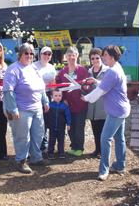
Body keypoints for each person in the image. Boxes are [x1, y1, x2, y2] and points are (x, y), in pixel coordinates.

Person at [81, 45, 131, 181]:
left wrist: (86, 98)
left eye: (105, 55)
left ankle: (104, 170)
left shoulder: (111, 71)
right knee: (119, 138)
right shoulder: (117, 68)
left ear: (113, 57)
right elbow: (107, 84)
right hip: (122, 109)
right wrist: (97, 81)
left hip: (116, 111)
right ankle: (120, 165)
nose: (103, 57)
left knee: (105, 138)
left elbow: (100, 91)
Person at [3, 43, 50, 174]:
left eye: (31, 54)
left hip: (37, 108)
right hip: (21, 109)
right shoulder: (13, 69)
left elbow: (41, 87)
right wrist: (13, 110)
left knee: (38, 135)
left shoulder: (34, 68)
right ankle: (21, 160)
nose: (29, 56)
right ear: (20, 55)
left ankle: (36, 158)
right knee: (22, 136)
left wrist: (45, 101)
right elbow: (8, 91)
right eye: (26, 53)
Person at [56, 46, 89, 157]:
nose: (71, 57)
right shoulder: (63, 71)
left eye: (73, 55)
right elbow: (58, 85)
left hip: (80, 105)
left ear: (77, 56)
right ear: (66, 57)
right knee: (70, 127)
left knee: (79, 127)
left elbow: (87, 86)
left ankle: (79, 147)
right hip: (67, 105)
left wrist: (84, 89)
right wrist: (63, 99)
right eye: (69, 55)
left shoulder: (82, 70)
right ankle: (73, 145)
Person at [86, 48, 109, 158]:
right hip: (92, 107)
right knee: (95, 130)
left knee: (104, 132)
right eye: (92, 58)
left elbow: (108, 85)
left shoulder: (107, 71)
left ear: (101, 58)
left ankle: (103, 151)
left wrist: (97, 82)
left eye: (97, 58)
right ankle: (97, 149)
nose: (95, 60)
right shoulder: (89, 72)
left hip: (103, 105)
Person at [33, 46, 56, 153]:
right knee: (37, 120)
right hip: (36, 95)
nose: (47, 56)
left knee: (46, 120)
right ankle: (35, 144)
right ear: (40, 55)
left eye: (49, 54)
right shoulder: (34, 66)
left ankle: (44, 145)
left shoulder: (51, 67)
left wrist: (54, 95)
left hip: (48, 95)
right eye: (45, 54)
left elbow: (53, 83)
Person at [44, 88, 71, 160]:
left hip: (61, 127)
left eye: (59, 95)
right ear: (52, 96)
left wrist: (68, 124)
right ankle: (50, 152)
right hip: (52, 126)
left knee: (61, 139)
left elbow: (68, 115)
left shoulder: (65, 106)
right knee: (51, 140)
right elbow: (46, 116)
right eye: (56, 96)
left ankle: (61, 152)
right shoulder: (49, 105)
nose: (58, 97)